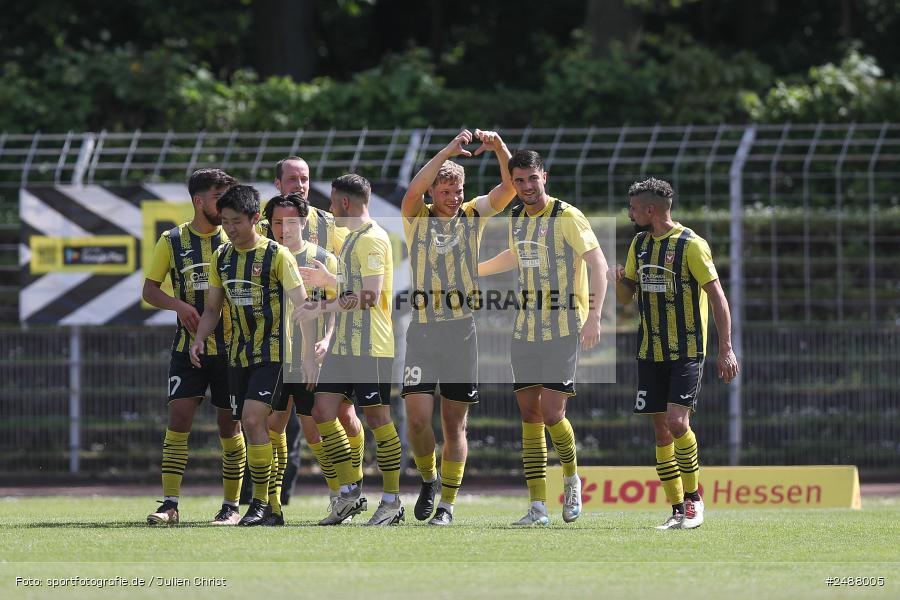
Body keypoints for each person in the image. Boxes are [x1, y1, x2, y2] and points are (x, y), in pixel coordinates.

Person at [479, 150, 609, 526]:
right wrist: (476, 270)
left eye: (531, 179)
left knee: (553, 413)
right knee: (529, 416)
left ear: (544, 177)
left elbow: (598, 265)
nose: (526, 188)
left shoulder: (567, 216)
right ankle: (537, 507)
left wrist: (595, 316)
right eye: (518, 181)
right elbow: (517, 255)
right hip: (525, 329)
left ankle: (571, 479)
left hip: (563, 327)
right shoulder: (517, 215)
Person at [400, 129, 516, 525]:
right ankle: (429, 479)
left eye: (457, 190)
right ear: (434, 193)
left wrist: (500, 149)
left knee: (454, 422)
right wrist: (448, 151)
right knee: (417, 418)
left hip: (461, 332)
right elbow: (412, 192)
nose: (453, 198)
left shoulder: (472, 216)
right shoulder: (418, 219)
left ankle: (447, 505)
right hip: (423, 330)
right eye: (445, 191)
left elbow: (507, 188)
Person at [609, 177, 739, 530]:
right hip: (650, 350)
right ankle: (677, 508)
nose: (629, 212)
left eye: (633, 207)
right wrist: (617, 280)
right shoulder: (638, 244)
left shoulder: (691, 245)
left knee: (678, 422)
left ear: (650, 210)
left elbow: (718, 298)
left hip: (686, 350)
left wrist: (725, 348)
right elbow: (626, 297)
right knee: (661, 432)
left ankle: (695, 499)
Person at [189, 184, 317, 526]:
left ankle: (258, 503)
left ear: (255, 219)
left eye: (236, 222)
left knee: (252, 421)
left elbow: (302, 306)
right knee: (252, 428)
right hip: (237, 356)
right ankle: (271, 508)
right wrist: (199, 339)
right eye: (225, 221)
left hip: (273, 354)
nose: (230, 228)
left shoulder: (277, 255)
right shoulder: (222, 257)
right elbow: (213, 308)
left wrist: (307, 356)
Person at [294, 174, 403, 526]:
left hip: (370, 346)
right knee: (322, 411)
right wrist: (331, 281)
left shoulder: (372, 239)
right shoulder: (352, 239)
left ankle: (391, 501)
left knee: (377, 420)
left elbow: (370, 296)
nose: (328, 208)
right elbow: (355, 285)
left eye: (332, 201)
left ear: (343, 202)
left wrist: (321, 306)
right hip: (342, 346)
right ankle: (350, 494)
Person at [260, 156, 364, 514]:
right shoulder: (265, 247)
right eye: (292, 178)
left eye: (305, 178)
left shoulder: (327, 240)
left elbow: (343, 295)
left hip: (317, 349)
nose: (300, 183)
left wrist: (327, 339)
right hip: (276, 351)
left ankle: (349, 488)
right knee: (273, 425)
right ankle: (271, 504)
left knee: (328, 421)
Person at [143, 168, 244, 527]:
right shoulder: (171, 241)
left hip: (232, 349)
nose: (226, 205)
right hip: (188, 348)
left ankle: (231, 507)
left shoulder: (238, 237)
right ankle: (169, 504)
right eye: (219, 197)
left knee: (229, 426)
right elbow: (150, 290)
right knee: (178, 419)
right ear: (199, 201)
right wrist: (179, 306)